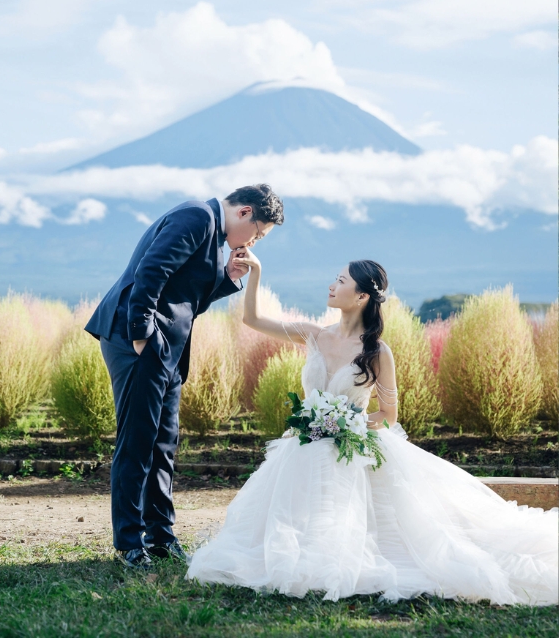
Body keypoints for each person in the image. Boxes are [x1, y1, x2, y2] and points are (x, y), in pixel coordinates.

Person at [185, 255, 559, 605]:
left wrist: (345, 423)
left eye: (341, 280)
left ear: (361, 296)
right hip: (305, 444)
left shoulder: (378, 351)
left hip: (353, 447)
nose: (332, 285)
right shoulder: (313, 334)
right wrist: (256, 275)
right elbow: (252, 320)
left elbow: (389, 415)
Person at [85, 184, 283, 568]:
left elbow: (186, 302)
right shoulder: (196, 217)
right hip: (137, 340)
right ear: (245, 212)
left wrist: (227, 276)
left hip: (167, 351)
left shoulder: (213, 235)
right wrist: (142, 334)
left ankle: (161, 536)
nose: (255, 242)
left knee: (163, 444)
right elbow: (151, 272)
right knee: (137, 442)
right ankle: (129, 543)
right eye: (259, 233)